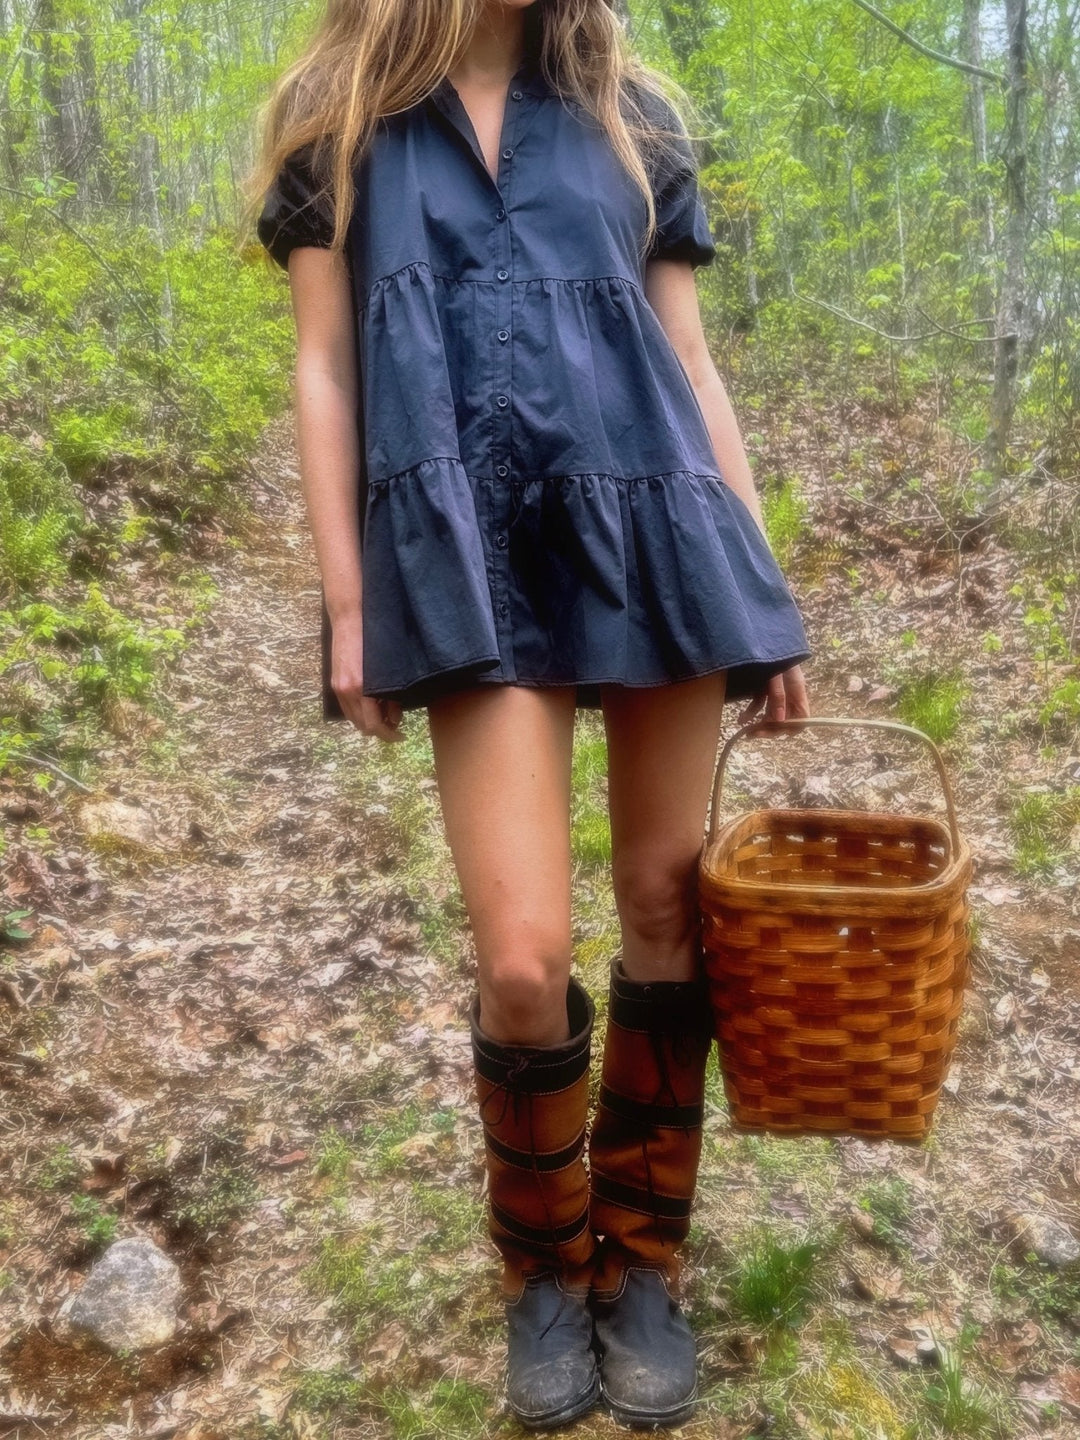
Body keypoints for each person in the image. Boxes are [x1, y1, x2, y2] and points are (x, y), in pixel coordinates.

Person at [250, 0, 811, 1429]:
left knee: (666, 900)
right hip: (471, 548)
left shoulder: (636, 117)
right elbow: (324, 368)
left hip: (660, 534)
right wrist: (354, 602)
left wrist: (762, 583)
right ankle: (543, 1270)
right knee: (521, 958)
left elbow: (688, 364)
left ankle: (644, 1263)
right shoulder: (339, 118)